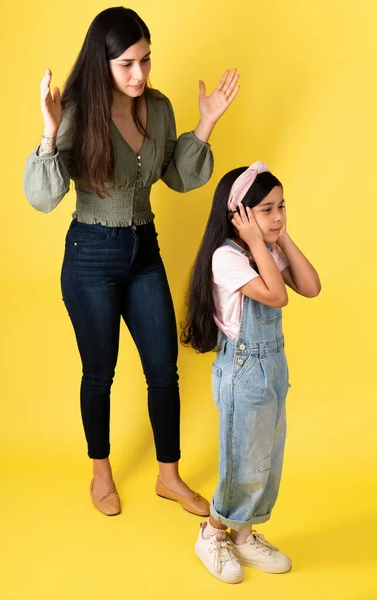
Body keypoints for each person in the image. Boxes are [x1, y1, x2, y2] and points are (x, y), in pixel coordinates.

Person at [23, 7, 240, 517]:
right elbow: (41, 197)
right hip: (90, 256)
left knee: (164, 369)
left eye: (145, 60)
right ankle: (101, 473)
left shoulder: (158, 108)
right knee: (100, 372)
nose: (140, 73)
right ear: (102, 65)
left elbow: (179, 177)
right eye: (126, 64)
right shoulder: (75, 111)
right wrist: (50, 131)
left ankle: (169, 476)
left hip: (144, 250)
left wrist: (205, 124)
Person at [182, 162, 321, 583]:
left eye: (282, 207)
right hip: (242, 370)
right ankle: (212, 533)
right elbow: (278, 296)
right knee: (242, 462)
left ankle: (243, 536)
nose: (278, 215)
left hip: (273, 367)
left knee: (266, 460)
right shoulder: (227, 257)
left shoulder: (265, 247)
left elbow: (310, 286)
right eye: (266, 209)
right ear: (238, 216)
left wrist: (279, 237)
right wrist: (259, 242)